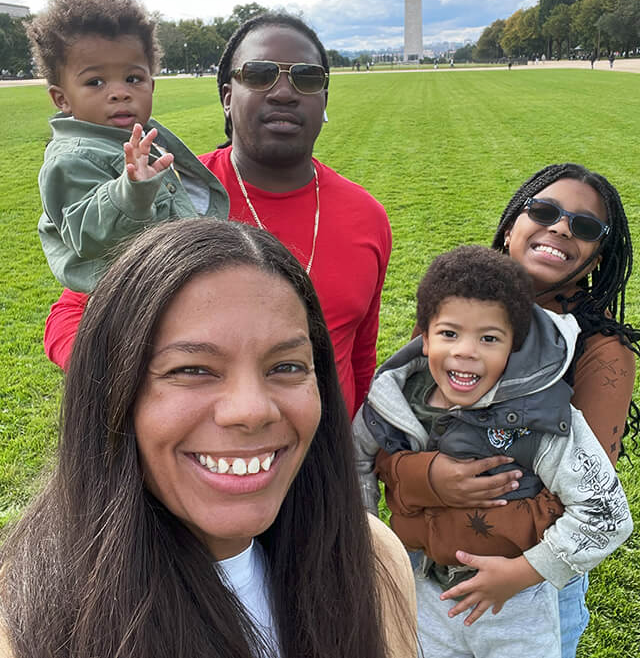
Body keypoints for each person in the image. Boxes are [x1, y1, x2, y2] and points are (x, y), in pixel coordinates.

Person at [0, 218, 416, 658]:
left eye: (287, 366)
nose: (252, 410)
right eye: (191, 370)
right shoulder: (26, 622)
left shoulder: (370, 557)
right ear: (111, 394)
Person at [43, 13, 391, 418]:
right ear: (228, 96)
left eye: (306, 78)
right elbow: (68, 315)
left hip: (327, 460)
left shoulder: (367, 215)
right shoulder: (166, 191)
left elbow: (360, 349)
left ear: (324, 100)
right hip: (208, 453)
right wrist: (134, 378)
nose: (283, 92)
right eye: (259, 75)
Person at [374, 163, 640, 657]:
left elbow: (585, 497)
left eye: (585, 227)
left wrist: (514, 573)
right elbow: (395, 430)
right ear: (510, 229)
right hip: (427, 572)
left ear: (594, 260)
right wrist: (430, 477)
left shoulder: (599, 350)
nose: (562, 227)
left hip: (532, 581)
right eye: (545, 211)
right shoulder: (459, 310)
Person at [28, 0, 229, 293]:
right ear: (62, 99)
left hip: (169, 276)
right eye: (95, 82)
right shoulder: (72, 158)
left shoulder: (141, 135)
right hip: (129, 297)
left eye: (133, 78)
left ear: (152, 84)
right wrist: (129, 193)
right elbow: (85, 232)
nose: (120, 92)